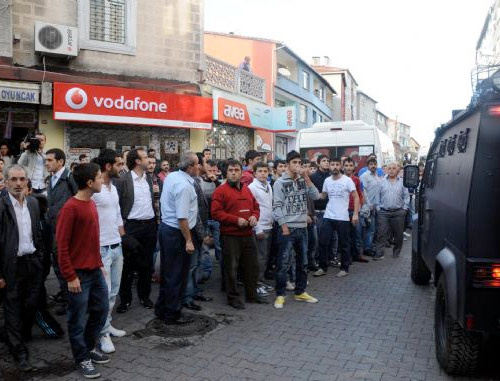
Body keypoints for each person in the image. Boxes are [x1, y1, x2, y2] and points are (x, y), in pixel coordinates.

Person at [56, 163, 109, 379]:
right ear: (89, 183)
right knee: (76, 320)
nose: (102, 180)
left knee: (101, 310)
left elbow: (90, 240)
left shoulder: (92, 204)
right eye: (99, 177)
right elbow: (61, 246)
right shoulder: (70, 208)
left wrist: (100, 264)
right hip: (77, 275)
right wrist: (70, 276)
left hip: (95, 270)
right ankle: (82, 358)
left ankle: (88, 347)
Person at [0, 164, 45, 372]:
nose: (18, 184)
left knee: (31, 304)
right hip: (11, 266)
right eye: (14, 179)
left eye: (22, 179)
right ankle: (19, 352)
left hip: (32, 263)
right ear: (6, 181)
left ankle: (14, 334)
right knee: (12, 309)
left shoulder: (34, 204)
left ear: (27, 181)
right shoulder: (1, 205)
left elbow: (38, 234)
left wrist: (41, 259)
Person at [211, 159, 266, 309]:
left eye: (236, 170)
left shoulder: (247, 189)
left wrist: (255, 216)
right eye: (231, 170)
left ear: (242, 172)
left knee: (251, 267)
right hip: (231, 236)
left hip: (248, 235)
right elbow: (215, 213)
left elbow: (256, 206)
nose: (234, 173)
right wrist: (236, 220)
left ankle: (251, 295)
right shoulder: (220, 191)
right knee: (231, 268)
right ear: (226, 173)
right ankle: (233, 297)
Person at [155, 152, 199, 325]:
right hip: (178, 233)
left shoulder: (172, 176)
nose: (199, 166)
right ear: (189, 167)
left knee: (168, 272)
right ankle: (172, 313)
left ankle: (162, 308)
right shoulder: (184, 186)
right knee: (176, 274)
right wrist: (188, 240)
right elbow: (182, 217)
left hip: (167, 229)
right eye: (197, 164)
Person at [272, 151, 320, 309]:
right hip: (287, 228)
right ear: (287, 165)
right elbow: (277, 206)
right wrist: (283, 225)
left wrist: (306, 177)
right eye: (294, 163)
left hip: (302, 228)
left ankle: (300, 292)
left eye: (299, 163)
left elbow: (316, 196)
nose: (297, 166)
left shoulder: (302, 180)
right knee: (283, 263)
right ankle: (280, 294)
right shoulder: (279, 182)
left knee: (303, 262)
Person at [92, 150, 126, 354]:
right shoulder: (94, 189)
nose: (122, 167)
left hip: (116, 246)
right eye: (119, 164)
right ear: (108, 166)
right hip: (101, 248)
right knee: (103, 294)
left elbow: (118, 212)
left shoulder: (113, 188)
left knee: (113, 292)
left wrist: (122, 234)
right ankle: (102, 333)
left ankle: (108, 324)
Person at [115, 148, 157, 313]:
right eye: (145, 157)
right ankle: (125, 300)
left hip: (150, 226)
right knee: (127, 265)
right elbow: (117, 206)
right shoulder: (123, 180)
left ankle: (144, 296)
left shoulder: (149, 179)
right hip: (131, 227)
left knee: (147, 265)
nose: (149, 160)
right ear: (138, 161)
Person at [314, 157, 359, 278]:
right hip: (328, 216)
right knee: (323, 242)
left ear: (341, 166)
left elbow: (356, 197)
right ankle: (323, 267)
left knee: (344, 244)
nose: (334, 166)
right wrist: (310, 188)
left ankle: (344, 268)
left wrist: (355, 214)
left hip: (342, 217)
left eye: (337, 164)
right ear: (330, 166)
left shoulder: (347, 180)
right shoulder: (327, 181)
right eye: (332, 164)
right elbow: (322, 196)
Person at [46, 148, 78, 315]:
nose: (47, 163)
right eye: (46, 160)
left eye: (50, 160)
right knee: (58, 266)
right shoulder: (50, 179)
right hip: (53, 229)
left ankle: (71, 302)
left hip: (66, 231)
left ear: (61, 161)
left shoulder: (69, 178)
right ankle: (67, 298)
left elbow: (78, 200)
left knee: (65, 266)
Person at [373, 162, 410, 260]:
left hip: (398, 212)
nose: (392, 170)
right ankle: (379, 253)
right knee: (381, 233)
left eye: (394, 168)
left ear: (397, 169)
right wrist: (378, 208)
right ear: (386, 170)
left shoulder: (403, 182)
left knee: (398, 234)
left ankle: (396, 253)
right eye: (389, 168)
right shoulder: (381, 182)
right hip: (384, 212)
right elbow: (377, 197)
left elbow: (406, 196)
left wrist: (405, 209)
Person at [248, 162, 274, 297]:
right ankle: (256, 284)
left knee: (265, 257)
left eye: (265, 171)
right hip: (260, 227)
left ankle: (261, 281)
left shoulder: (268, 185)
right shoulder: (252, 187)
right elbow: (251, 210)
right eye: (260, 171)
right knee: (259, 258)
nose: (263, 174)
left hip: (269, 225)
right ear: (254, 173)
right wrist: (257, 229)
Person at [199, 159, 221, 281]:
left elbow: (223, 193)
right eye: (209, 170)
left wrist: (216, 181)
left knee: (219, 246)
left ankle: (223, 270)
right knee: (205, 248)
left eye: (214, 170)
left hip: (217, 218)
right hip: (204, 218)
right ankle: (206, 272)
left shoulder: (219, 182)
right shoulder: (200, 181)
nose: (212, 172)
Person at [343, 157, 369, 263]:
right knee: (346, 235)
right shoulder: (339, 179)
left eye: (350, 165)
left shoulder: (357, 180)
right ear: (343, 166)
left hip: (355, 211)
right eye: (346, 165)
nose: (348, 168)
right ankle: (347, 257)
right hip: (343, 211)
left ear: (354, 167)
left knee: (357, 234)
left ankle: (358, 254)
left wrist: (359, 209)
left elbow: (360, 195)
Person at [359, 157, 382, 256]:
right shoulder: (364, 176)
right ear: (367, 166)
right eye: (371, 164)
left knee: (374, 229)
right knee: (370, 229)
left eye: (375, 164)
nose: (373, 166)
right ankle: (367, 248)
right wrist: (368, 205)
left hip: (376, 207)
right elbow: (363, 192)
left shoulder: (376, 175)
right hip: (368, 207)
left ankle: (370, 246)